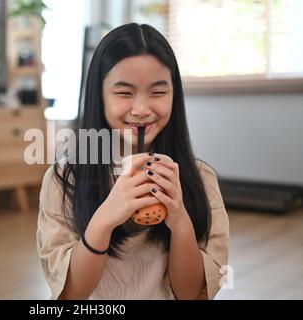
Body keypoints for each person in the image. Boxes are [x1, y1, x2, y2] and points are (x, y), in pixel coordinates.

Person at [36, 23, 229, 300]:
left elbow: (191, 293)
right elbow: (71, 295)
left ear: (175, 95)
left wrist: (180, 221)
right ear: (98, 95)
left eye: (158, 92)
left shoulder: (200, 179)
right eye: (124, 93)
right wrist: (105, 219)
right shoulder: (64, 180)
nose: (141, 110)